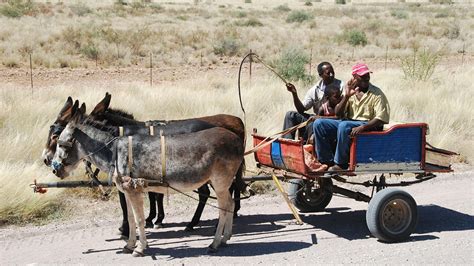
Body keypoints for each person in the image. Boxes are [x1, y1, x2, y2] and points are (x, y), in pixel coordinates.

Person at [312, 63, 390, 171]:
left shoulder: (377, 93)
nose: (366, 78)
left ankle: (341, 164)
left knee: (344, 125)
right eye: (362, 76)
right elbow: (338, 113)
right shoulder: (350, 91)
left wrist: (363, 127)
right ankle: (326, 161)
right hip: (350, 123)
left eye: (367, 75)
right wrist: (347, 96)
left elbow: (381, 118)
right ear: (354, 77)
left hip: (368, 124)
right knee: (319, 124)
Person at [283, 62, 344, 141]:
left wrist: (318, 118)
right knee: (290, 115)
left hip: (333, 119)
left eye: (332, 72)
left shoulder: (341, 86)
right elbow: (302, 109)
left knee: (314, 122)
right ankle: (288, 145)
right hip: (317, 117)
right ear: (320, 75)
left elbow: (340, 114)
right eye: (328, 73)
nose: (332, 75)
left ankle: (309, 145)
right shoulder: (315, 89)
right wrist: (294, 93)